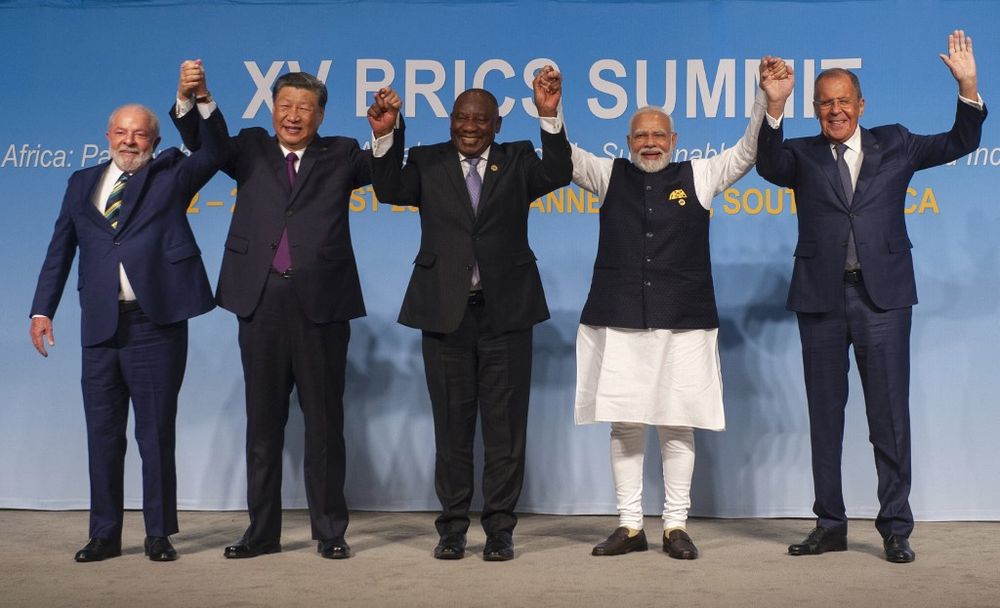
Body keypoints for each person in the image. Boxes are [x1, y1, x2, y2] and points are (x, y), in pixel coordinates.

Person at [756, 30, 985, 563]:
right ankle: (830, 524)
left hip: (883, 301)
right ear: (815, 109)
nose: (836, 110)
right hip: (820, 301)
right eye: (825, 103)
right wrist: (774, 104)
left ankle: (895, 527)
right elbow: (767, 165)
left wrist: (968, 88)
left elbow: (960, 142)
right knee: (825, 417)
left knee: (889, 417)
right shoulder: (801, 154)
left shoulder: (897, 143)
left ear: (861, 105)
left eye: (844, 101)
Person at [171, 66, 399, 560]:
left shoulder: (339, 153)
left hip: (322, 303)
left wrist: (384, 133)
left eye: (304, 108)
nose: (293, 116)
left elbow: (384, 176)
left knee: (323, 424)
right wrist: (198, 98)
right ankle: (261, 532)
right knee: (263, 424)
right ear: (272, 109)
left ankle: (330, 531)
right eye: (285, 106)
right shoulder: (249, 147)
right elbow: (205, 143)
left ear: (320, 115)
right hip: (260, 300)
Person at [567, 58, 786, 559]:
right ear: (627, 143)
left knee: (676, 421)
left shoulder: (702, 175)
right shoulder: (607, 176)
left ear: (674, 139)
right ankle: (628, 525)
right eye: (640, 135)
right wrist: (551, 115)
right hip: (619, 319)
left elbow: (749, 151)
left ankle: (674, 525)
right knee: (624, 423)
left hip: (684, 322)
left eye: (658, 135)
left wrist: (767, 101)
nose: (650, 142)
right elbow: (565, 159)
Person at [367, 66, 572, 561]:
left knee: (505, 433)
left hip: (506, 316)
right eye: (462, 118)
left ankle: (499, 530)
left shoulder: (519, 159)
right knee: (452, 431)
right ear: (450, 121)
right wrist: (385, 134)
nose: (470, 127)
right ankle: (452, 529)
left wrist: (549, 116)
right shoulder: (427, 160)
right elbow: (389, 189)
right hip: (443, 314)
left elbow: (559, 171)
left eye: (481, 120)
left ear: (497, 125)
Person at [29, 60, 227, 563]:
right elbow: (60, 251)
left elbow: (218, 151)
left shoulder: (172, 174)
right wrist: (40, 310)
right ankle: (104, 534)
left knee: (154, 433)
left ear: (154, 141)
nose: (130, 140)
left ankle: (158, 533)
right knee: (102, 435)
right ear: (107, 136)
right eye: (122, 132)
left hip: (153, 323)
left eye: (141, 134)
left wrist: (198, 97)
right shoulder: (80, 183)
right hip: (98, 325)